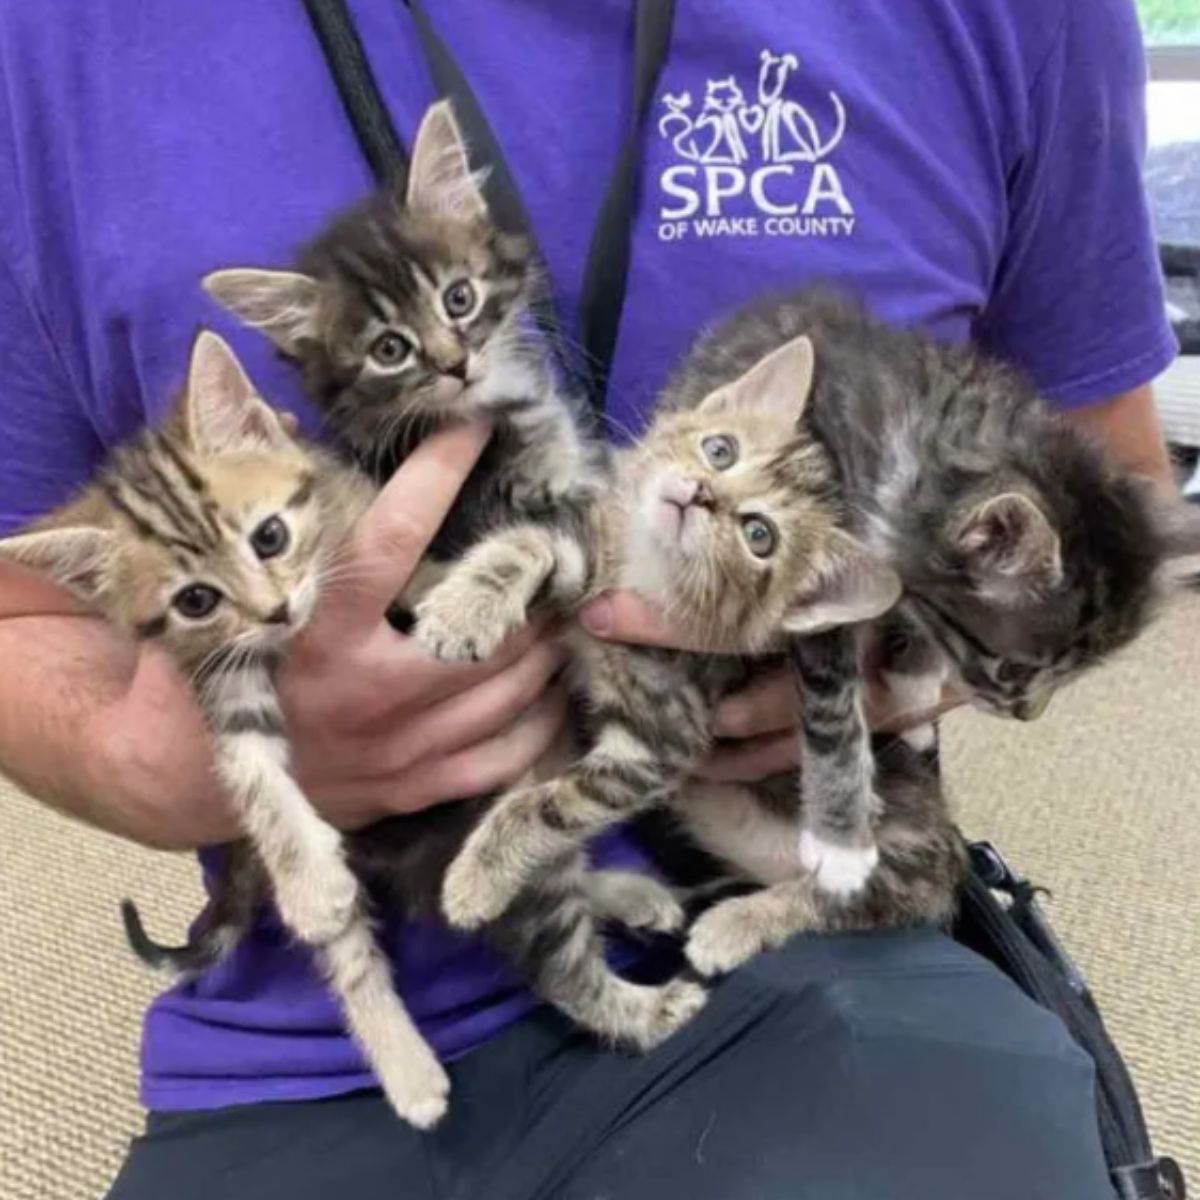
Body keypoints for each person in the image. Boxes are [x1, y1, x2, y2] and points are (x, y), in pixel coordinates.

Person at [0, 2, 1175, 1197]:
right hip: (324, 1023)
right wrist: (152, 762)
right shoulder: (49, 42)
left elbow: (1116, 504)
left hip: (797, 944)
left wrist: (905, 653)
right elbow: (21, 606)